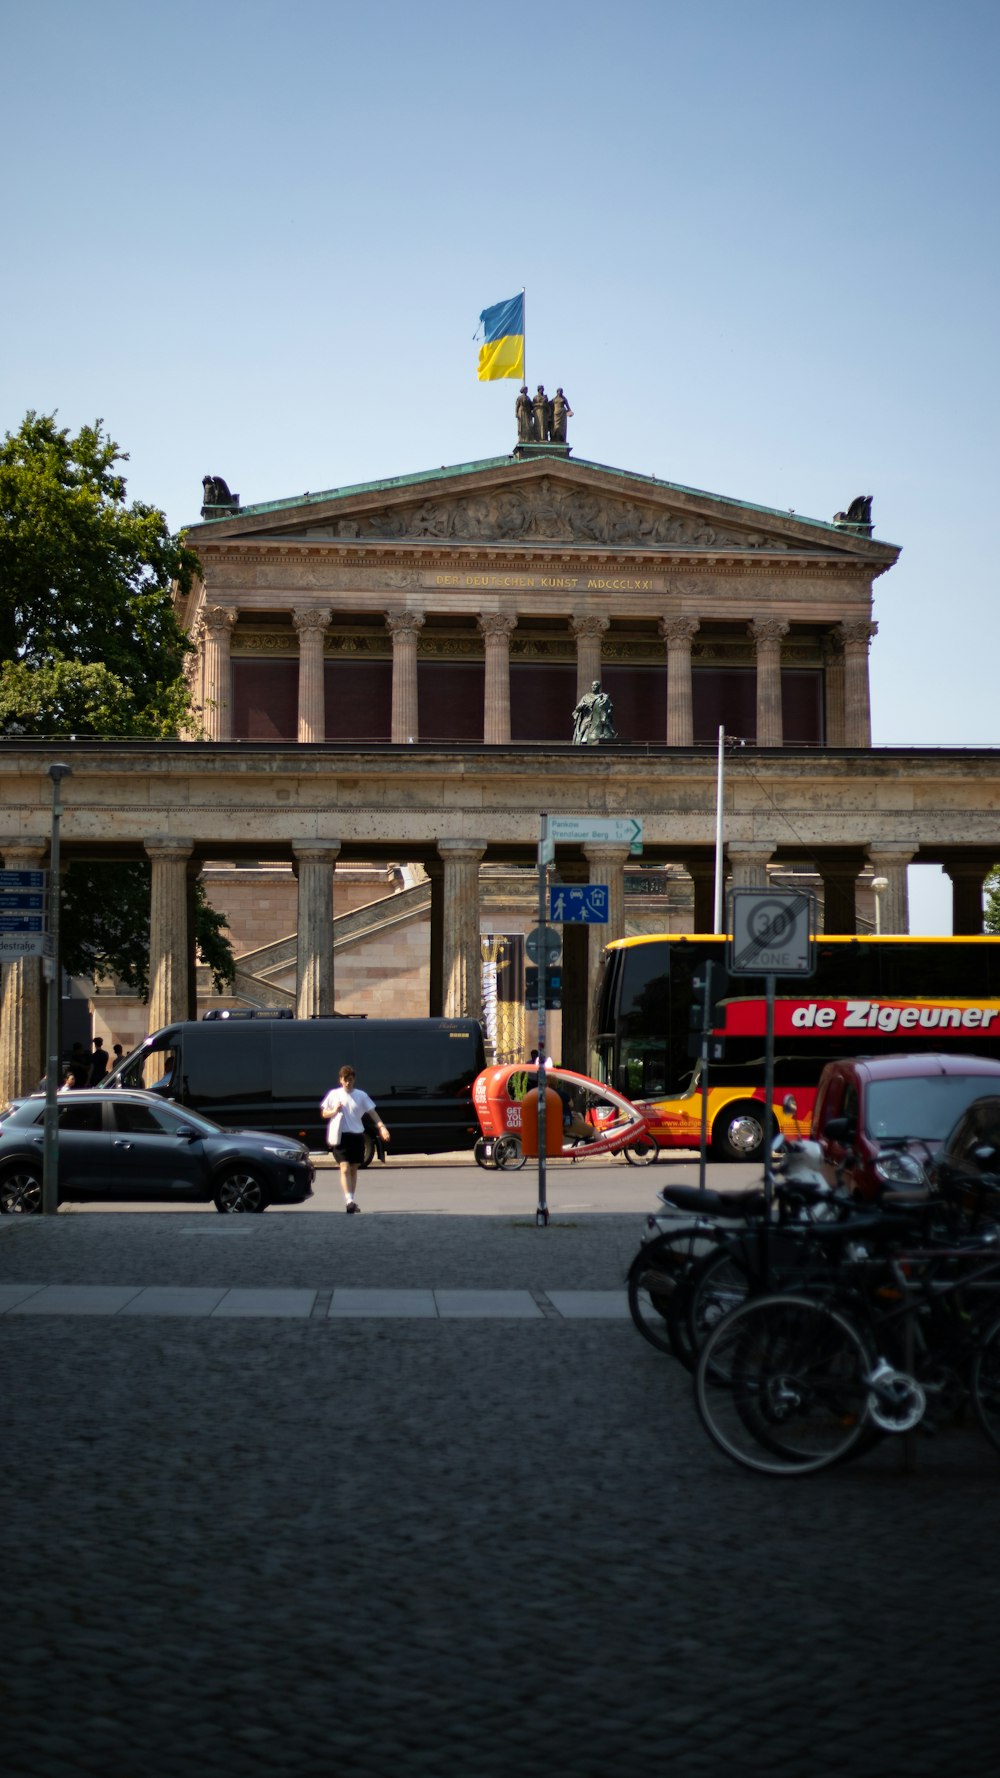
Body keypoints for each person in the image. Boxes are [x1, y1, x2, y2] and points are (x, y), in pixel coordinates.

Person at [320, 1064, 390, 1213]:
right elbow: (324, 1113)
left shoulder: (361, 1095)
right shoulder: (334, 1094)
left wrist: (382, 1127)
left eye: (350, 1080)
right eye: (345, 1080)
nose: (347, 1083)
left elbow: (372, 1113)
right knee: (344, 1168)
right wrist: (334, 1110)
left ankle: (351, 1198)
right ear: (340, 1080)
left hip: (357, 1136)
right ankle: (349, 1201)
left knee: (353, 1168)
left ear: (354, 1080)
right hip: (341, 1136)